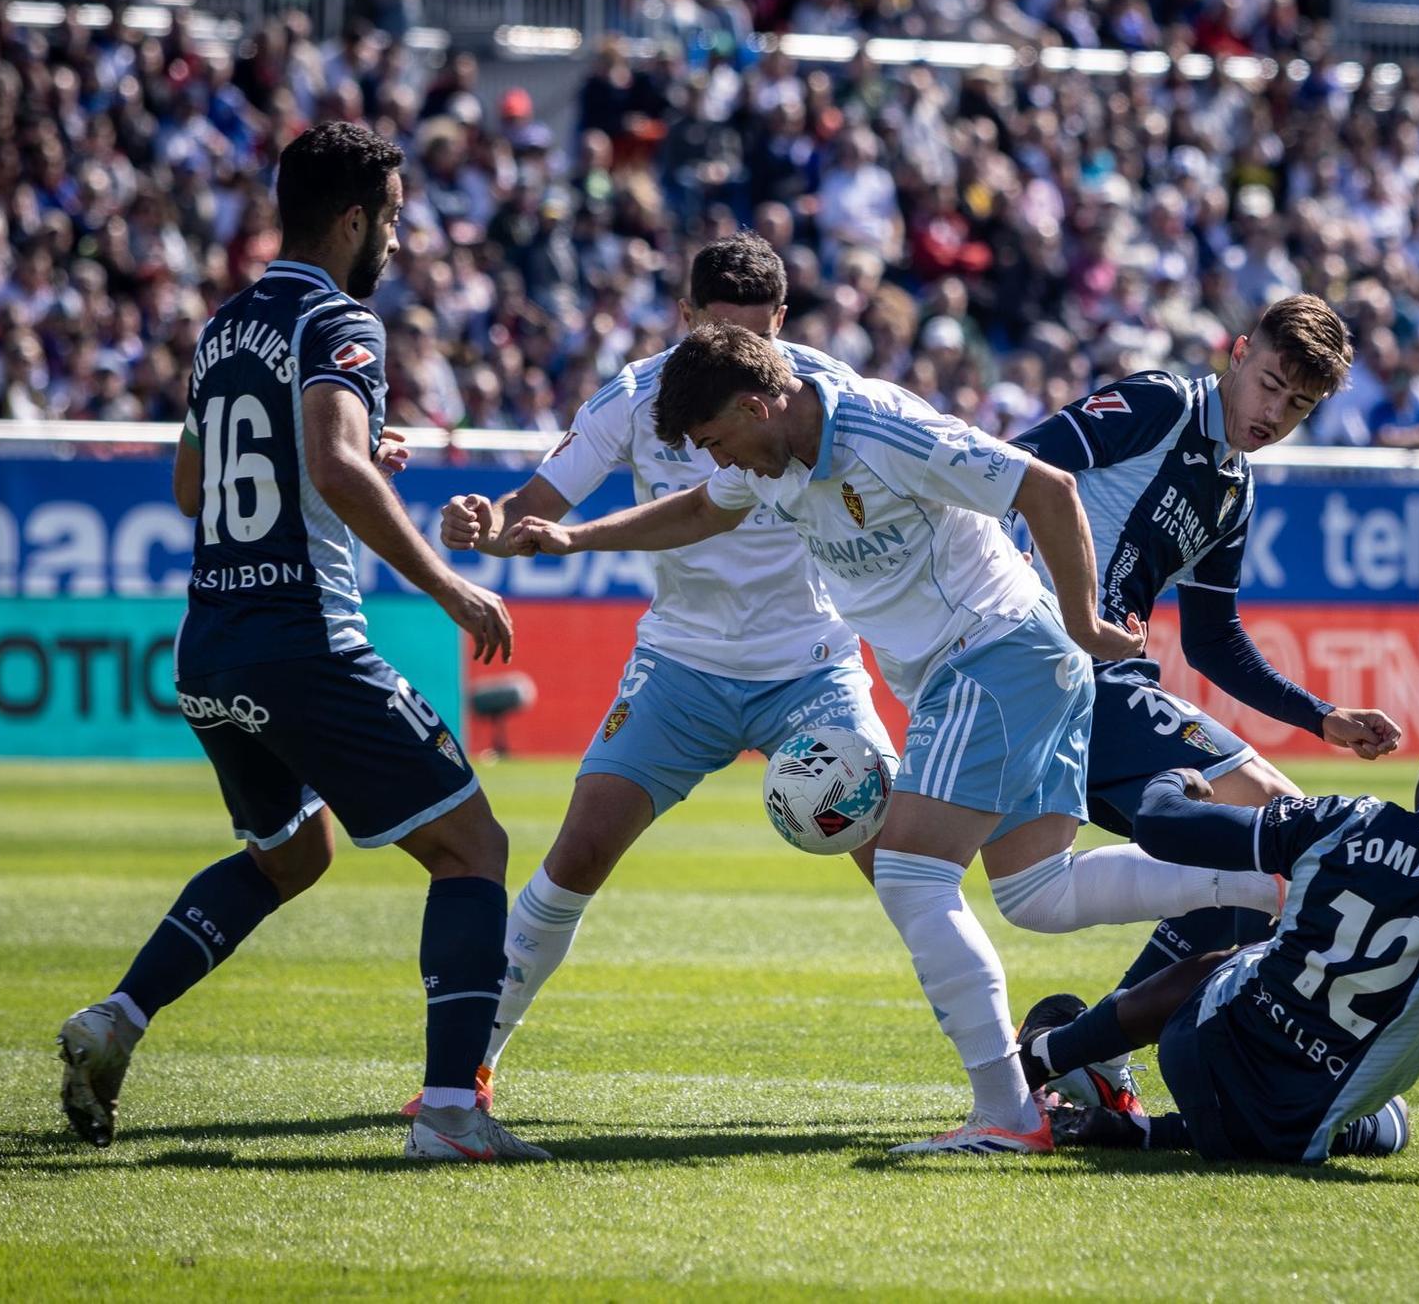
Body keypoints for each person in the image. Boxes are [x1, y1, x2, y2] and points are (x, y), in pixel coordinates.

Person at [502, 323, 1288, 1154]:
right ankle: (1267, 889)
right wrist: (575, 536)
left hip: (995, 652)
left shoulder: (882, 430)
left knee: (914, 878)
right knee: (1038, 893)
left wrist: (1086, 622)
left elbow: (1049, 487)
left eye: (718, 442)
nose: (721, 462)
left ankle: (1007, 1116)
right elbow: (701, 509)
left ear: (756, 404)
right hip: (991, 665)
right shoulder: (764, 460)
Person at [54, 121, 549, 1163]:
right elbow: (332, 466)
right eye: (396, 221)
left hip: (211, 643)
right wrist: (450, 585)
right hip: (304, 640)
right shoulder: (340, 321)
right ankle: (453, 1113)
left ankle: (119, 1017)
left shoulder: (225, 325)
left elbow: (193, 486)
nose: (400, 242)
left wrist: (355, 448)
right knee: (473, 848)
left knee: (290, 851)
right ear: (356, 218)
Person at [413, 233, 896, 1113]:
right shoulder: (635, 397)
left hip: (813, 668)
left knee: (903, 865)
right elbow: (532, 511)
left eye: (754, 340)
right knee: (578, 856)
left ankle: (1004, 1079)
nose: (733, 363)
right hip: (680, 666)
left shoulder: (833, 393)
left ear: (782, 325)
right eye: (714, 334)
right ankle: (468, 1067)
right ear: (683, 319)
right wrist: (482, 525)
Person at [1008, 294, 1404, 1014]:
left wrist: (1325, 718)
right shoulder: (1163, 404)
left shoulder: (1234, 489)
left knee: (1249, 861)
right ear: (1239, 351)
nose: (1274, 413)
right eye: (1271, 386)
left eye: (1299, 405)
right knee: (1287, 829)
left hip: (1101, 681)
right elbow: (1014, 468)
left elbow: (1212, 639)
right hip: (1063, 666)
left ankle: (1090, 1051)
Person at [1020, 716, 1419, 1180]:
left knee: (1240, 957)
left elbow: (1162, 825)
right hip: (1307, 1119)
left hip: (1202, 1049)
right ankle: (1142, 1130)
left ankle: (1045, 1058)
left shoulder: (1352, 818)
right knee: (1390, 1121)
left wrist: (1173, 781)